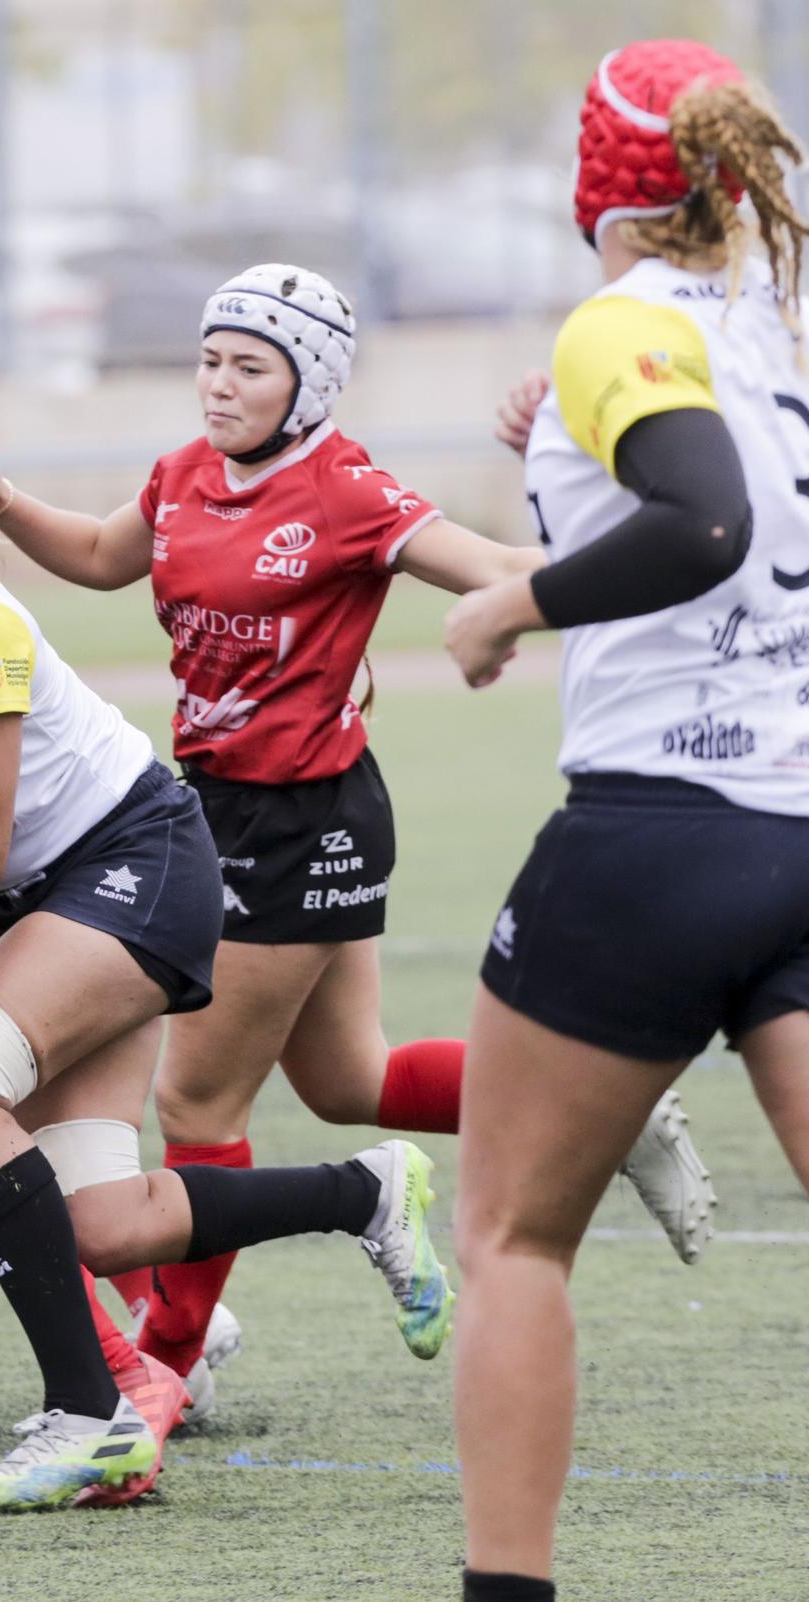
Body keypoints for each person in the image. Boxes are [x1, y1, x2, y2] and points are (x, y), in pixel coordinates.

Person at [0, 260, 716, 1423]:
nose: (218, 386)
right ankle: (606, 1105)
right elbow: (99, 554)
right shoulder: (184, 475)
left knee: (196, 1109)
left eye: (249, 366)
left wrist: (651, 545)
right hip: (217, 805)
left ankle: (164, 1373)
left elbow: (495, 571)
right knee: (349, 1081)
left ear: (310, 383)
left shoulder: (346, 489)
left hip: (300, 821)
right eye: (208, 360)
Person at [0, 431, 457, 1513]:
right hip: (53, 895)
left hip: (132, 865)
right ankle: (361, 1191)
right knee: (101, 1225)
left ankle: (91, 1416)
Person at [440, 41, 809, 1602]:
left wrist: (515, 598)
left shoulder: (621, 320)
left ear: (592, 180)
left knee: (512, 1237)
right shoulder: (781, 333)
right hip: (800, 827)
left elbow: (702, 518)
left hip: (661, 829)